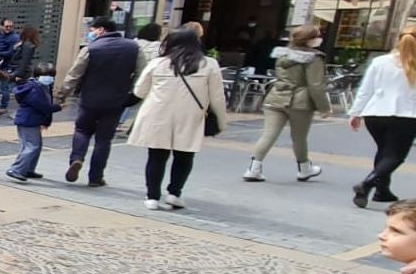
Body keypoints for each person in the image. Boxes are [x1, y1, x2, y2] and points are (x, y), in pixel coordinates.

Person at [127, 28, 227, 210]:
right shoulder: (209, 64)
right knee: (185, 155)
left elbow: (139, 91)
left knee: (156, 156)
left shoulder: (158, 63)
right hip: (190, 116)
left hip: (157, 114)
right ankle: (174, 193)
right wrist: (221, 121)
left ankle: (152, 197)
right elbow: (217, 97)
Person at [57, 17, 147, 188]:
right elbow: (143, 74)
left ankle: (76, 159)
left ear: (102, 30)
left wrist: (62, 95)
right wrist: (134, 96)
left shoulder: (91, 48)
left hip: (90, 100)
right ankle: (96, 177)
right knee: (104, 139)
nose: (91, 34)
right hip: (116, 101)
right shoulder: (134, 48)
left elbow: (74, 74)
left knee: (82, 130)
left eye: (92, 30)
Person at [243, 25, 330, 183]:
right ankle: (304, 168)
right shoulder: (314, 58)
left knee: (268, 134)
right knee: (299, 137)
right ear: (309, 40)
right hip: (300, 101)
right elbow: (316, 85)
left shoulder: (282, 55)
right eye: (317, 36)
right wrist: (324, 107)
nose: (319, 38)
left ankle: (253, 168)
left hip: (276, 97)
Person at [350, 28, 416, 208]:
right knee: (395, 156)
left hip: (375, 114)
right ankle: (368, 183)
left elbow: (365, 89)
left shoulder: (379, 61)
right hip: (405, 115)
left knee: (385, 152)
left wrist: (355, 113)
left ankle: (382, 190)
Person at [6, 71, 61, 182]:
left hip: (31, 120)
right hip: (28, 121)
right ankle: (16, 169)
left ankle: (28, 169)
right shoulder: (34, 89)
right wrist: (57, 107)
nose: (50, 78)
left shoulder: (40, 87)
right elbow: (43, 106)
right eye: (48, 75)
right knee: (31, 146)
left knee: (35, 145)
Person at [0, 18, 21, 113]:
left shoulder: (15, 38)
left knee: (4, 88)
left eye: (10, 27)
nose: (8, 28)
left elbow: (11, 53)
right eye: (6, 26)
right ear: (1, 26)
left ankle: (3, 107)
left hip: (7, 66)